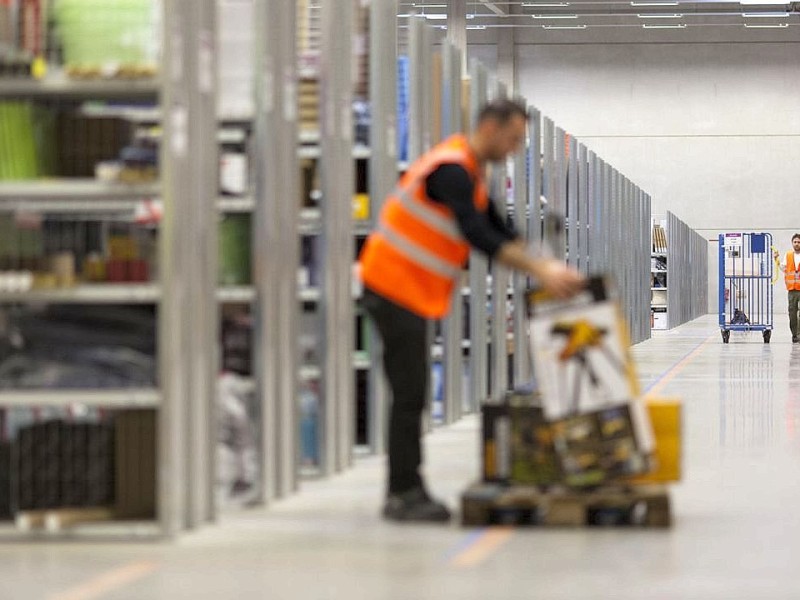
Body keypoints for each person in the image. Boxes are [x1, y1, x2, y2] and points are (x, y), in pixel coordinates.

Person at [357, 98, 585, 523]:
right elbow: (478, 233)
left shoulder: (470, 173)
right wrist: (540, 269)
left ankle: (408, 487)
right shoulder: (450, 170)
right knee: (410, 393)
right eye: (514, 139)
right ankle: (403, 493)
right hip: (390, 284)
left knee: (413, 391)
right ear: (492, 128)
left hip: (409, 290)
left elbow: (501, 228)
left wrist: (548, 266)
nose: (515, 149)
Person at [773, 233, 800, 343]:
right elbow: (784, 268)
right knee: (792, 314)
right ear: (792, 243)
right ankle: (794, 335)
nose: (797, 244)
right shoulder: (788, 256)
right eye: (795, 242)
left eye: (799, 242)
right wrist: (776, 259)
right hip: (792, 290)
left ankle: (799, 334)